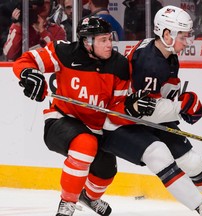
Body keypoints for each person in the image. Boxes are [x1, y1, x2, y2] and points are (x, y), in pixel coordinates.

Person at [101, 5, 202, 216]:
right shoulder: (148, 61)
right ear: (166, 33)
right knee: (161, 157)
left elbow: (163, 95)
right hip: (126, 121)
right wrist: (181, 108)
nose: (187, 41)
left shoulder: (167, 54)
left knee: (192, 161)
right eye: (183, 36)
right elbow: (146, 108)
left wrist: (183, 104)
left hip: (148, 119)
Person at [12, 15, 155, 216]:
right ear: (87, 42)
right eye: (103, 40)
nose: (109, 45)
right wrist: (28, 73)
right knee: (85, 145)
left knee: (106, 171)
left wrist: (132, 109)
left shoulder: (120, 65)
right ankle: (67, 203)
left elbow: (115, 110)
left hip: (96, 127)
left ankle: (89, 197)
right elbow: (26, 61)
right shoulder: (64, 52)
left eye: (110, 39)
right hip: (60, 120)